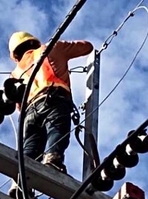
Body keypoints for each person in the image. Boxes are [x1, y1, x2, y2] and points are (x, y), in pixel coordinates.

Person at [8, 31, 94, 174]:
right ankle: (52, 160)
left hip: (29, 113)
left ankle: (19, 180)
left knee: (30, 146)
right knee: (57, 131)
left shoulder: (14, 74)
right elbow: (87, 47)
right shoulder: (51, 48)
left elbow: (18, 106)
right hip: (54, 100)